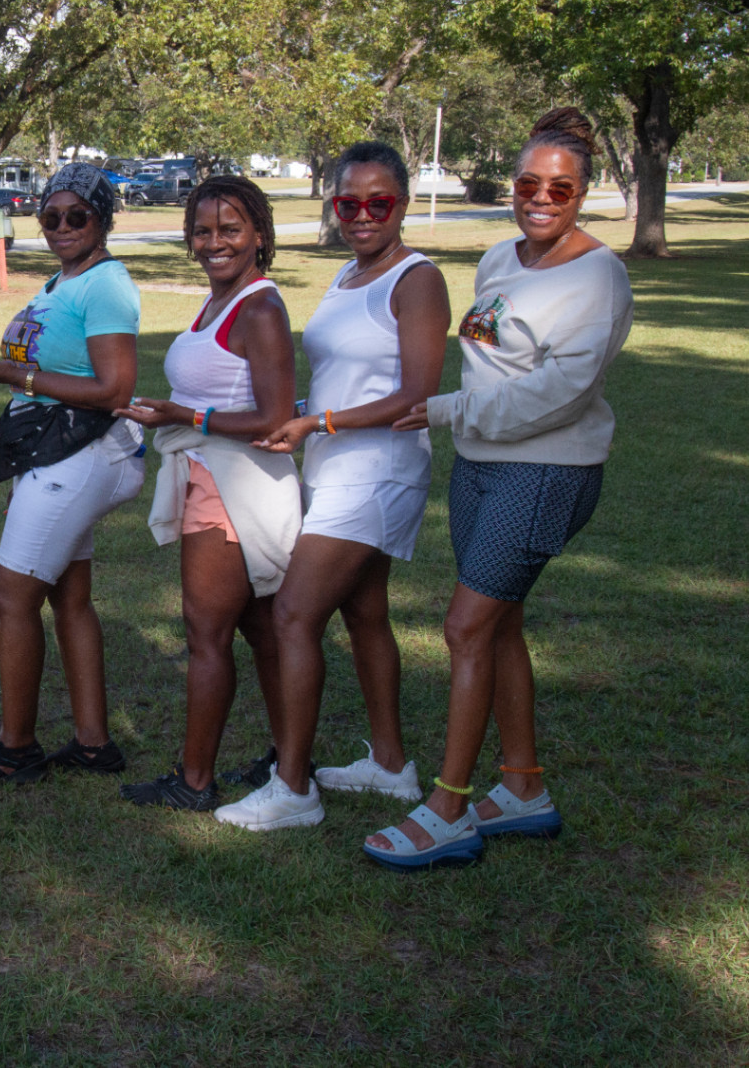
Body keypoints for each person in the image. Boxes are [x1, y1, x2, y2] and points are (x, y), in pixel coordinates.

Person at [365, 107, 633, 869]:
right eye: (528, 182)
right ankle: (522, 787)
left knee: (465, 627)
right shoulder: (498, 261)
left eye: (562, 186)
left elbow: (562, 393)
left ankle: (449, 805)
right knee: (501, 623)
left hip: (548, 469)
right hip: (481, 464)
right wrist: (463, 420)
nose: (541, 197)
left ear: (585, 192)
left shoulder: (599, 276)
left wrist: (447, 409)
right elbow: (491, 357)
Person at [208, 142, 450, 830]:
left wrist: (319, 420)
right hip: (336, 466)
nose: (364, 215)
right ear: (334, 205)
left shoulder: (417, 278)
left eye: (381, 202)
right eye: (350, 203)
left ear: (402, 202)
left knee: (292, 614)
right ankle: (391, 763)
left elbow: (418, 391)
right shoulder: (348, 274)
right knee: (365, 613)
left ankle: (294, 786)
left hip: (380, 471)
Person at [0, 163, 145, 784]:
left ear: (103, 219)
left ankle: (17, 748)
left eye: (76, 216)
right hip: (58, 451)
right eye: (50, 216)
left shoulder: (106, 285)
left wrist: (18, 378)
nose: (61, 227)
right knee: (69, 595)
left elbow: (115, 387)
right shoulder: (62, 281)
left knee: (11, 592)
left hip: (82, 452)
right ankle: (93, 743)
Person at [115, 175, 300, 812]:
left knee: (206, 634)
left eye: (230, 229)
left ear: (259, 236)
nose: (213, 242)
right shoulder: (221, 299)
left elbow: (276, 420)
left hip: (233, 488)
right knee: (256, 627)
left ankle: (194, 782)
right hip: (211, 477)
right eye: (202, 230)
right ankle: (289, 756)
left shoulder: (260, 309)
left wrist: (184, 417)